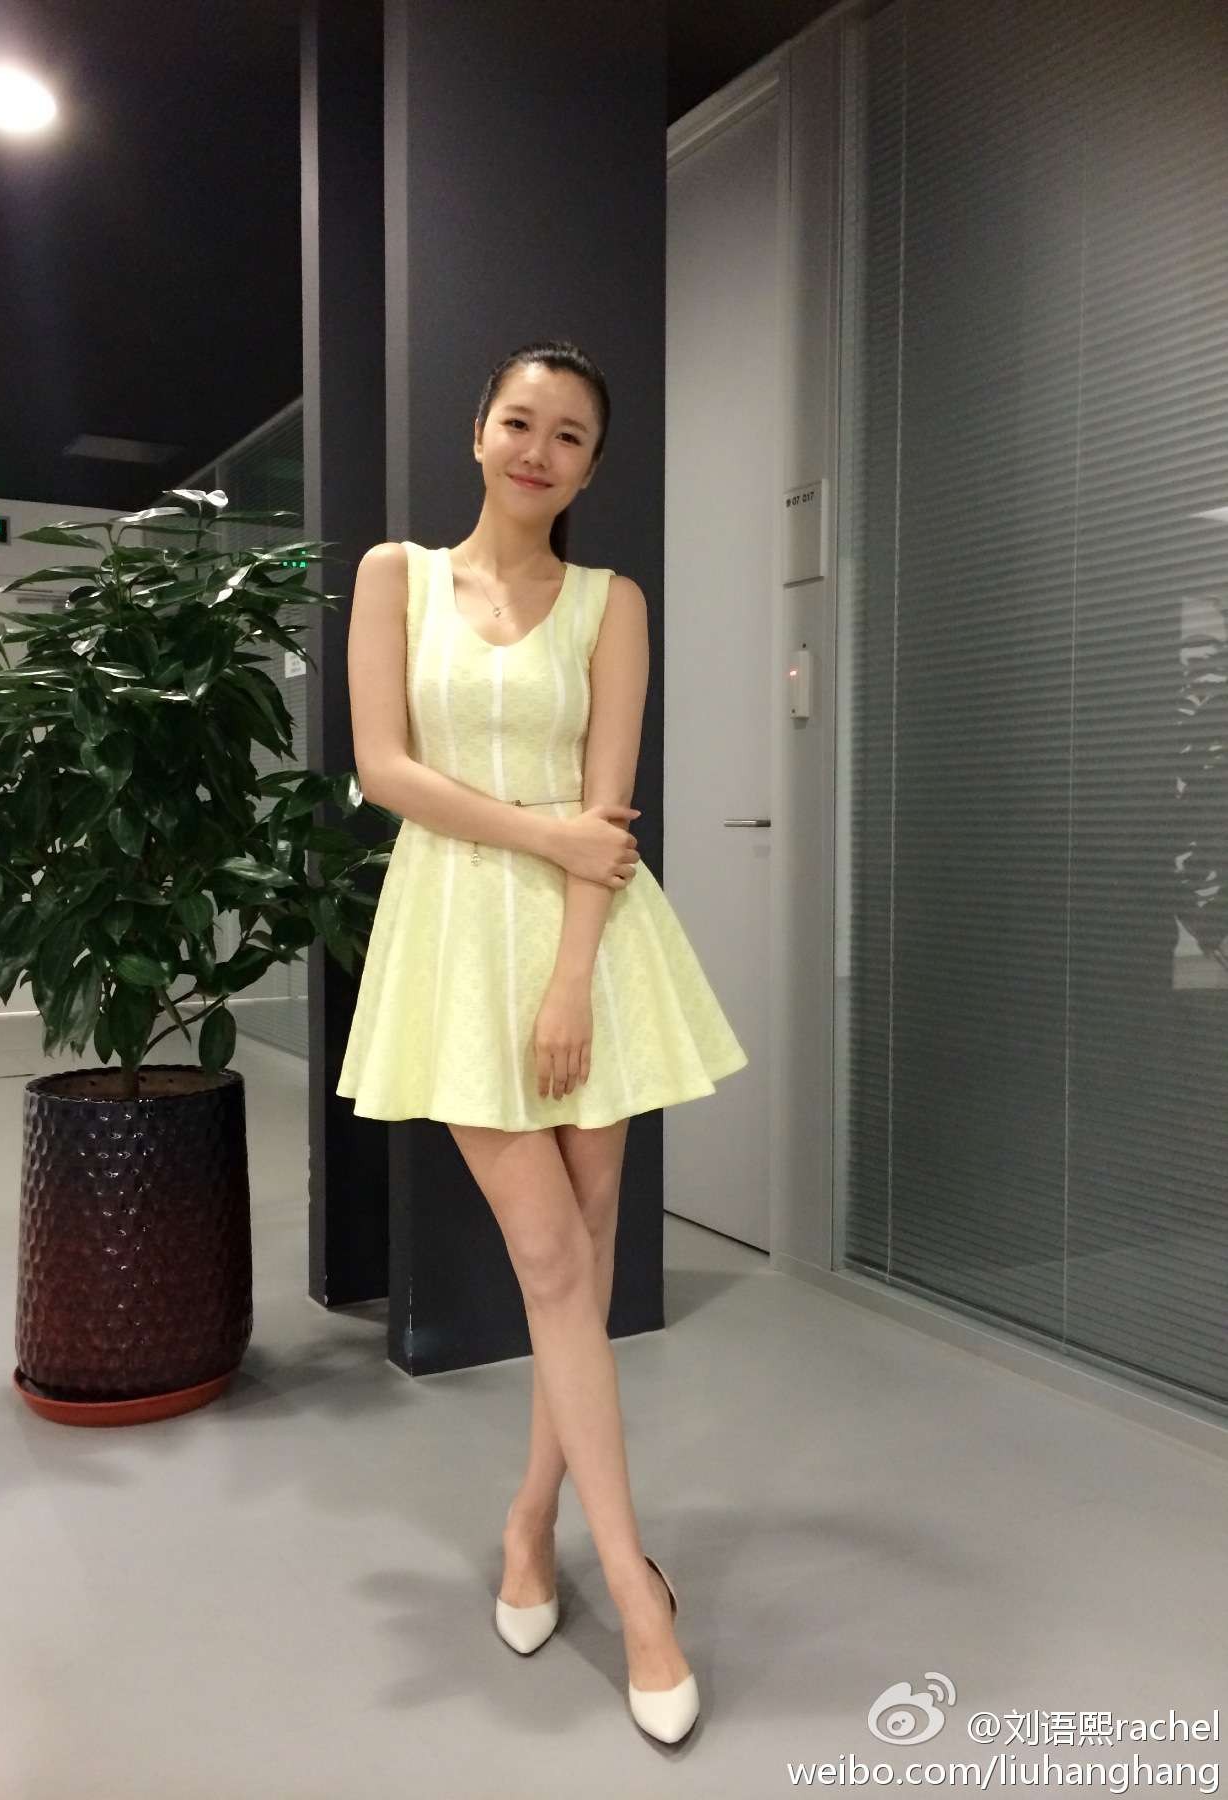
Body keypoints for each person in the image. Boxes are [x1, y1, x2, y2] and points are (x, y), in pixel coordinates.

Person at [336, 338, 747, 1744]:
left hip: (593, 945)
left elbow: (606, 810)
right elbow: (386, 769)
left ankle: (530, 1521)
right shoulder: (394, 577)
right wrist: (544, 835)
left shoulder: (611, 603)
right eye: (520, 421)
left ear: (590, 466)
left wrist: (572, 983)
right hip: (454, 937)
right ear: (479, 433)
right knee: (555, 1262)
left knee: (578, 1262)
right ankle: (634, 1587)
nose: (539, 449)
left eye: (569, 435)